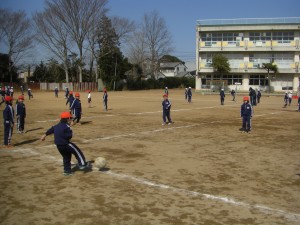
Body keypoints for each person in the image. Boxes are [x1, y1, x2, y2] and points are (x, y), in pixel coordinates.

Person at [40, 111, 91, 176]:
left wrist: (44, 135)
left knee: (66, 157)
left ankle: (67, 171)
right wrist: (70, 128)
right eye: (70, 118)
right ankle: (82, 164)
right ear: (67, 119)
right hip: (66, 144)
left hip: (58, 146)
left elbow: (51, 130)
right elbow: (69, 136)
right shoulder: (67, 126)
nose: (71, 120)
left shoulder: (57, 125)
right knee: (77, 151)